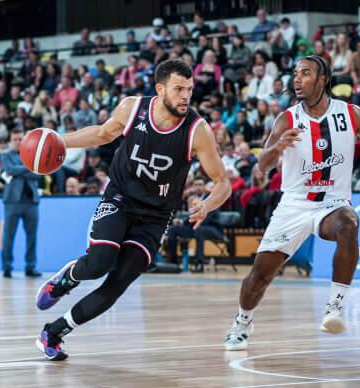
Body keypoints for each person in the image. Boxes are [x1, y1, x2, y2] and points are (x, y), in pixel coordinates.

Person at [34, 59, 231, 361]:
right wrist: (61, 141)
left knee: (117, 285)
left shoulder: (197, 130)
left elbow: (222, 183)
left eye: (189, 90)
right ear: (160, 88)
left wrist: (206, 205)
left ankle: (55, 332)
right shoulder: (133, 108)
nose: (185, 97)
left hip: (155, 218)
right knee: (99, 263)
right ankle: (67, 278)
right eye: (179, 89)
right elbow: (102, 134)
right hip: (120, 199)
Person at [223, 55, 360, 351]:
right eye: (295, 73)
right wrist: (277, 147)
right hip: (294, 205)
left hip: (331, 203)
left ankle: (334, 308)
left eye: (305, 73)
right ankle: (242, 321)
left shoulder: (350, 113)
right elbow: (262, 166)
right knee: (259, 276)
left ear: (323, 79)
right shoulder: (287, 118)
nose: (297, 79)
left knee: (349, 222)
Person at [1, 129, 41, 278]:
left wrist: (21, 170)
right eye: (15, 139)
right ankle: (6, 266)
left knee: (32, 236)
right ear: (11, 141)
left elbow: (38, 173)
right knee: (8, 236)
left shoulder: (32, 154)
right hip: (12, 201)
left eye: (20, 139)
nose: (18, 142)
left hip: (31, 201)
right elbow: (10, 169)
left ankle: (30, 266)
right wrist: (29, 167)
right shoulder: (5, 155)